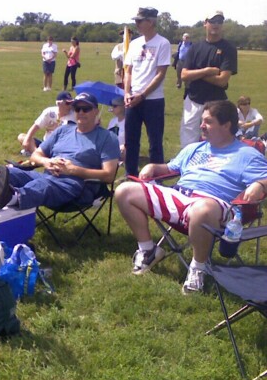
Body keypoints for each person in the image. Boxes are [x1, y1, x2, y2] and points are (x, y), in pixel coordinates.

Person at [114, 100, 267, 293]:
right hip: (179, 195)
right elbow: (169, 168)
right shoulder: (195, 148)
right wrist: (153, 167)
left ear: (226, 125)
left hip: (215, 206)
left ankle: (198, 268)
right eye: (202, 121)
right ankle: (148, 250)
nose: (201, 125)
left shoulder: (247, 155)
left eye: (208, 121)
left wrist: (259, 185)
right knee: (124, 191)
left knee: (203, 209)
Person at [0, 92, 119, 212]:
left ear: (96, 111)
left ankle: (11, 197)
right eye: (77, 109)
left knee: (42, 185)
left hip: (76, 187)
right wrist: (47, 162)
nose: (81, 112)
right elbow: (36, 155)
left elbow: (109, 175)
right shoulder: (63, 130)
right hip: (49, 176)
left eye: (86, 109)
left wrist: (73, 170)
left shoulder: (107, 138)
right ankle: (6, 198)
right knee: (10, 173)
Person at [123, 7, 171, 178]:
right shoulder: (134, 44)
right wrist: (127, 93)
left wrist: (142, 95)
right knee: (131, 140)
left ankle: (156, 178)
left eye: (139, 21)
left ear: (150, 22)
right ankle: (130, 175)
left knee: (155, 142)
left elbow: (160, 73)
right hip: (132, 99)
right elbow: (128, 71)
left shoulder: (163, 43)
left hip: (153, 100)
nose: (136, 24)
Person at [180, 11, 238, 147]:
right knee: (188, 140)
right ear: (205, 23)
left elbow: (222, 81)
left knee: (217, 140)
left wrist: (196, 73)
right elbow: (184, 75)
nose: (216, 25)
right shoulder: (195, 47)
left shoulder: (229, 49)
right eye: (212, 21)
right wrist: (206, 71)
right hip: (193, 100)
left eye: (219, 21)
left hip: (217, 102)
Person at [17, 91, 75, 155]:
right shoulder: (49, 112)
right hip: (45, 144)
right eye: (67, 103)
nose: (70, 106)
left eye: (71, 103)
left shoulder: (74, 115)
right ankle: (37, 153)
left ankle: (37, 154)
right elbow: (36, 126)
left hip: (61, 146)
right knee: (21, 136)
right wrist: (27, 140)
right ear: (58, 104)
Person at [107, 96, 126, 163]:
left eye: (115, 106)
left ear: (123, 107)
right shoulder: (113, 121)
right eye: (112, 106)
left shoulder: (128, 122)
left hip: (122, 149)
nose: (112, 108)